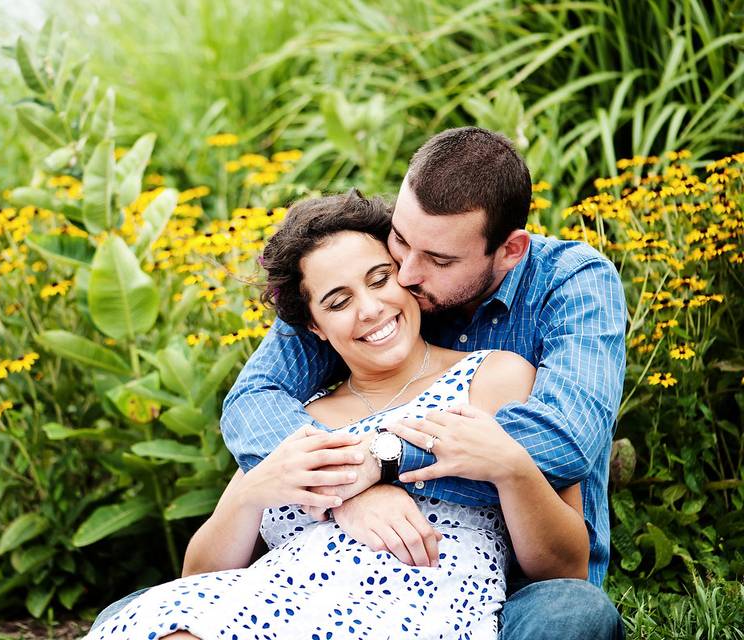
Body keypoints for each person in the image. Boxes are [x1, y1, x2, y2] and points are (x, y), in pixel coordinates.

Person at [86, 191, 590, 640]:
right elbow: (199, 575)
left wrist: (511, 467)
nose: (370, 309)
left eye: (380, 279)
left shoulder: (491, 377)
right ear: (315, 327)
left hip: (417, 611)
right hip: (268, 606)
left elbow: (567, 566)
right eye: (339, 301)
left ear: (406, 277)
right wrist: (250, 493)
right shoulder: (295, 420)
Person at [219, 127, 627, 639]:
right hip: (334, 579)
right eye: (401, 242)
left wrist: (382, 461)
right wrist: (346, 488)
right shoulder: (371, 279)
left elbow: (562, 442)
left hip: (518, 578)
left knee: (571, 617)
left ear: (509, 251)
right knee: (141, 611)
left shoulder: (571, 284)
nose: (406, 274)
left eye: (439, 260)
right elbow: (254, 400)